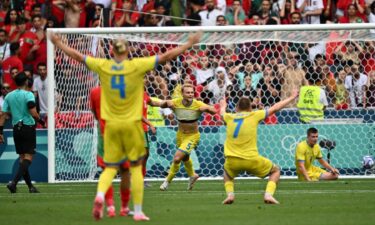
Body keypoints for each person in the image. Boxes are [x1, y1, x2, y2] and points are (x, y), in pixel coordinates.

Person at [50, 30, 202, 221]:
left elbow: (79, 56)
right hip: (132, 125)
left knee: (110, 168)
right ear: (128, 50)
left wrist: (58, 43)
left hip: (111, 126)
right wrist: (188, 43)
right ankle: (137, 211)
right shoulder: (137, 65)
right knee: (136, 168)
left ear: (111, 51)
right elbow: (166, 56)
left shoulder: (103, 65)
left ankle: (99, 196)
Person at [220, 90, 299, 205]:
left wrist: (223, 105)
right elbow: (275, 108)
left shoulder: (229, 117)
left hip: (232, 161)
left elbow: (222, 112)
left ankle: (230, 195)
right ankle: (268, 195)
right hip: (251, 159)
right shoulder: (254, 115)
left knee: (227, 174)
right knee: (276, 170)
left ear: (236, 108)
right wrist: (291, 97)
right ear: (250, 108)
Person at [159, 83, 217, 191]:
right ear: (182, 94)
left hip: (192, 136)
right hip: (180, 135)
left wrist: (207, 108)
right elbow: (159, 104)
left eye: (192, 92)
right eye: (188, 92)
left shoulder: (197, 104)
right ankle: (192, 175)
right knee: (185, 157)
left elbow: (214, 111)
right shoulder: (176, 102)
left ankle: (167, 181)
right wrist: (166, 103)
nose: (190, 94)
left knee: (177, 158)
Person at [89, 86, 132, 218]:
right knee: (125, 171)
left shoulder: (95, 92)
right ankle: (124, 207)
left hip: (104, 135)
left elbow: (95, 115)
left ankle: (110, 206)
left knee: (107, 171)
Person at [0, 72, 46, 194]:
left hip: (16, 129)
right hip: (27, 128)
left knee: (22, 159)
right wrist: (42, 122)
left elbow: (3, 115)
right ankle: (13, 182)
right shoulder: (28, 95)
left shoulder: (8, 96)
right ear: (26, 82)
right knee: (29, 157)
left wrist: (0, 132)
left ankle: (30, 187)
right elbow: (33, 112)